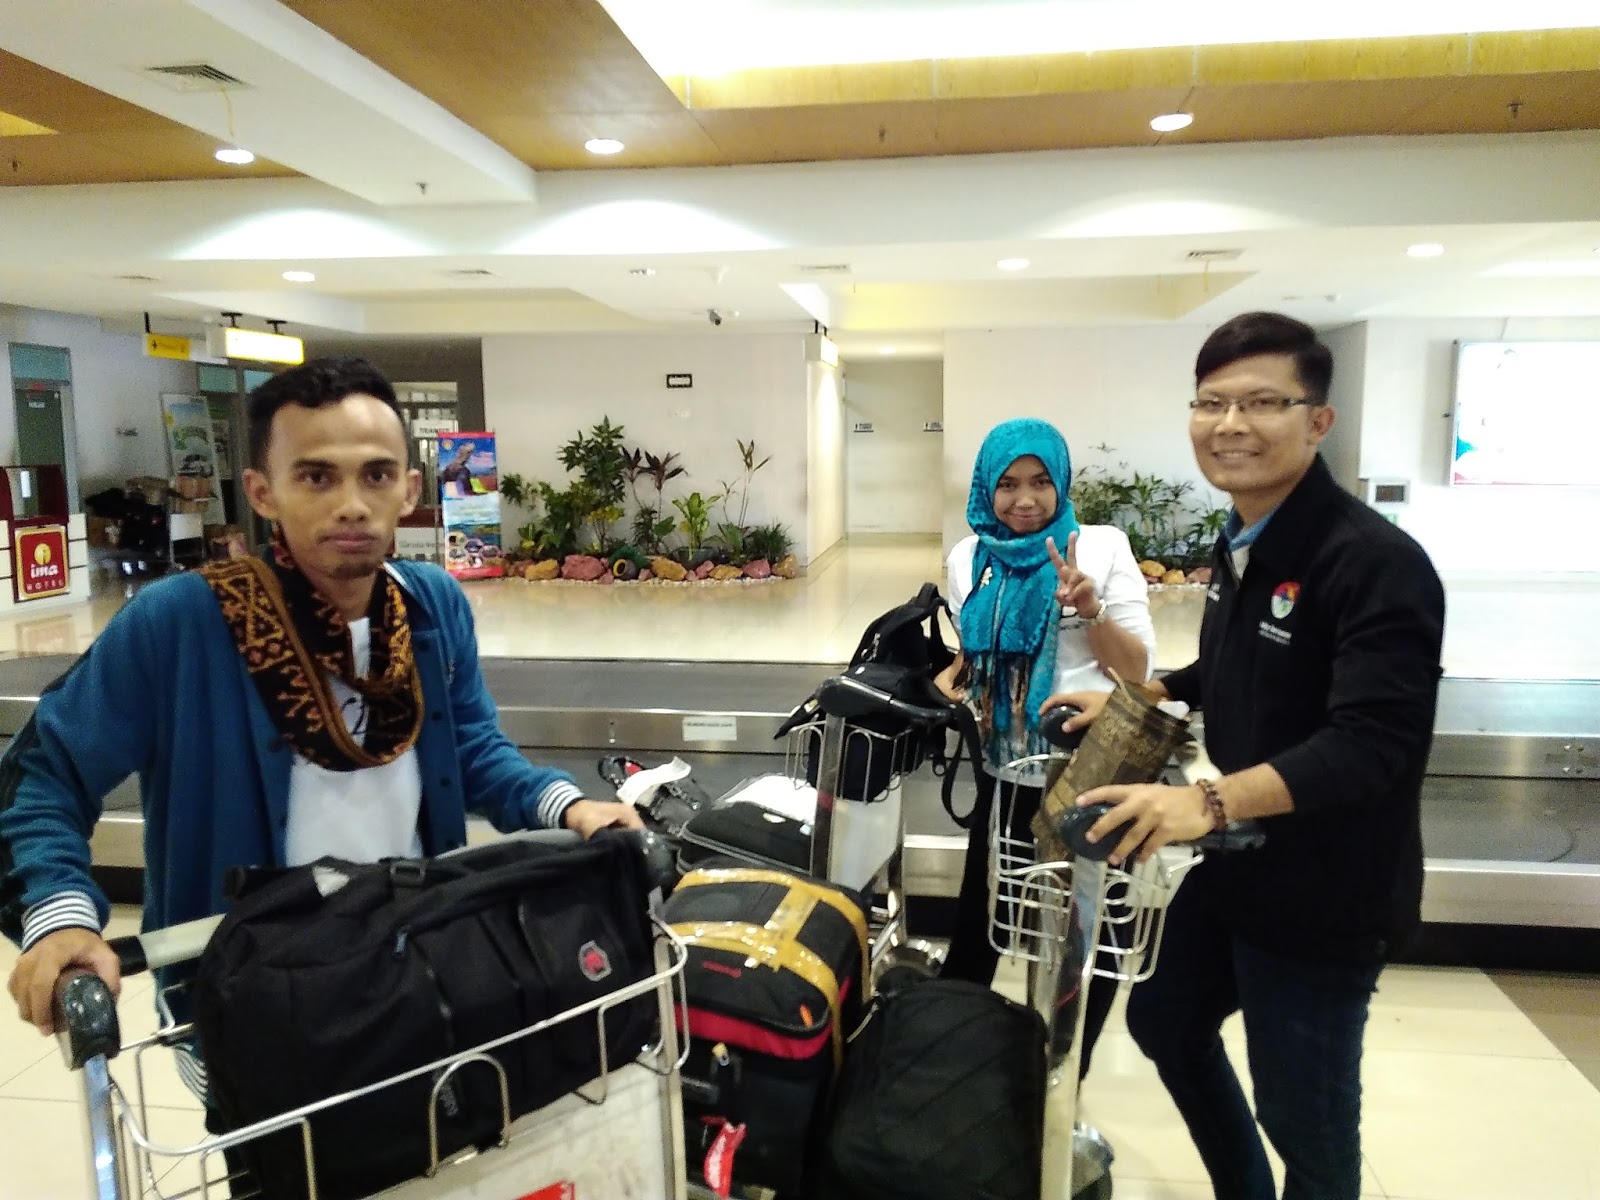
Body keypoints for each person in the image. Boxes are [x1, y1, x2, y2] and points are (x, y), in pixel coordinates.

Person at [2, 357, 642, 1047]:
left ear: (410, 489)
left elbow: (471, 747)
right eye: (316, 476)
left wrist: (568, 806)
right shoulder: (185, 621)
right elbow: (45, 774)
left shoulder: (429, 605)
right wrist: (60, 915)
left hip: (414, 954)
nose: (352, 503)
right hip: (243, 993)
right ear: (262, 492)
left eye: (377, 475)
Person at [1051, 313, 1445, 1200]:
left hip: (1328, 890)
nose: (1231, 424)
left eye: (1264, 402)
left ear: (1318, 420)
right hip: (1241, 864)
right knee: (1165, 1019)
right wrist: (1147, 695)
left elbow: (1372, 744)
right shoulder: (1243, 542)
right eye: (1212, 402)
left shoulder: (1372, 562)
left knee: (1305, 1123)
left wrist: (1207, 803)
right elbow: (1233, 668)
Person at [935, 417, 1156, 1078]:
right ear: (987, 488)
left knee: (1091, 931)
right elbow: (976, 653)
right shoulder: (969, 557)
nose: (1025, 499)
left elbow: (1137, 672)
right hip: (1005, 761)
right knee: (985, 916)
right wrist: (947, 679)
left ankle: (1064, 1074)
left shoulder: (1101, 547)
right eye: (1008, 484)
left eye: (1039, 482)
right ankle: (949, 1069)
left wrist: (1090, 610)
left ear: (1061, 482)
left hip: (1091, 764)